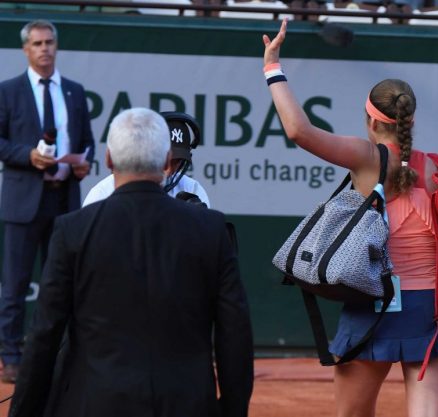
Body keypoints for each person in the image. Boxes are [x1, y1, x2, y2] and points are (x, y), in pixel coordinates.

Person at [7, 108, 254, 417]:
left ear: (109, 159)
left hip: (97, 402)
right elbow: (235, 332)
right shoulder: (211, 229)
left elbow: (45, 333)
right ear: (166, 161)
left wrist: (22, 411)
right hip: (187, 403)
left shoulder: (72, 230)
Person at [262, 20, 438, 417]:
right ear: (411, 121)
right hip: (429, 310)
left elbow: (298, 131)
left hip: (375, 304)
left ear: (371, 121)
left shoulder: (366, 157)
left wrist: (272, 67)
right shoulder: (436, 169)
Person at [0, 19, 95, 383]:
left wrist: (83, 163)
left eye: (49, 42)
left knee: (62, 283)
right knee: (15, 285)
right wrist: (27, 155)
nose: (44, 49)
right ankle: (11, 356)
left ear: (57, 46)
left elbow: (87, 141)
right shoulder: (8, 91)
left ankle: (58, 354)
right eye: (37, 44)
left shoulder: (74, 91)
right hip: (23, 202)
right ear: (26, 50)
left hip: (64, 201)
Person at [82, 111, 210, 207]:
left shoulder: (193, 189)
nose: (169, 169)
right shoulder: (102, 193)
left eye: (177, 162)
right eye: (165, 160)